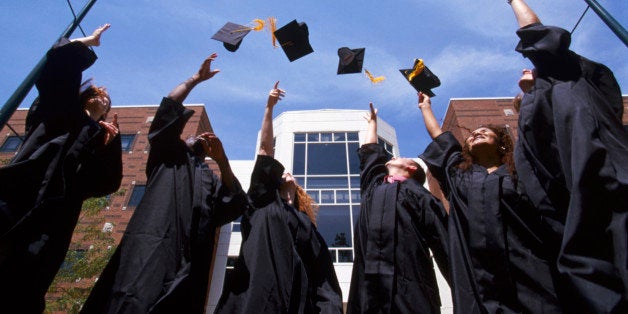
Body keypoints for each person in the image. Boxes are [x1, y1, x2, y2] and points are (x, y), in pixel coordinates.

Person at [82, 53, 248, 313]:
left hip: (188, 267)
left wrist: (222, 159)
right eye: (196, 138)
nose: (202, 138)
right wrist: (195, 79)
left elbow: (234, 205)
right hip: (150, 248)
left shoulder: (210, 179)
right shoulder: (169, 155)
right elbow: (169, 107)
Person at [508, 0, 628, 312]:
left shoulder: (563, 79)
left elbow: (536, 34)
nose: (526, 67)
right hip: (570, 216)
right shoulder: (529, 126)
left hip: (607, 183)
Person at [0, 24, 122, 312]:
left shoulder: (97, 139)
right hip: (18, 197)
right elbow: (56, 74)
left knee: (21, 288)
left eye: (107, 97)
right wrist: (84, 43)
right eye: (98, 91)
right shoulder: (58, 111)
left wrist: (109, 146)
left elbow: (105, 184)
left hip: (51, 225)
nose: (103, 95)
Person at [418, 91, 563, 313]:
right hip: (477, 278)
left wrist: (525, 108)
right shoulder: (458, 176)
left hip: (527, 268)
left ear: (502, 144)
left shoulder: (520, 174)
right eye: (472, 134)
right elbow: (440, 138)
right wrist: (425, 107)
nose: (476, 133)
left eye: (484, 131)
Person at [215, 82, 342, 314]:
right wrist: (269, 108)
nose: (284, 171)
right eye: (280, 171)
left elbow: (323, 279)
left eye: (289, 171)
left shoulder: (307, 227)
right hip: (256, 298)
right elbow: (265, 150)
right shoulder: (263, 202)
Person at [347, 103, 449, 314]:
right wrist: (373, 123)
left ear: (412, 168)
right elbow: (369, 155)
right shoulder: (374, 187)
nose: (392, 157)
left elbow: (445, 244)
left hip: (411, 287)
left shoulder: (423, 197)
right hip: (368, 291)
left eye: (399, 157)